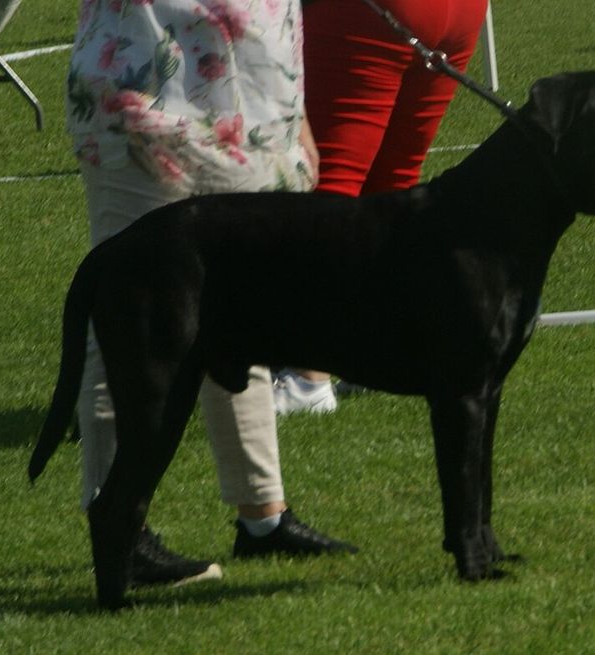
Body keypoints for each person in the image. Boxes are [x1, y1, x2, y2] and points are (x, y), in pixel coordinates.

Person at [65, 0, 356, 587]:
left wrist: (294, 114)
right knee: (131, 325)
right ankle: (120, 529)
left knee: (241, 311)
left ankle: (262, 517)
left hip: (250, 108)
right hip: (140, 100)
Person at [273, 0, 490, 415]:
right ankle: (381, 355)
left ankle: (308, 376)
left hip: (370, 10)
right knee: (394, 185)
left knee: (330, 191)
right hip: (462, 11)